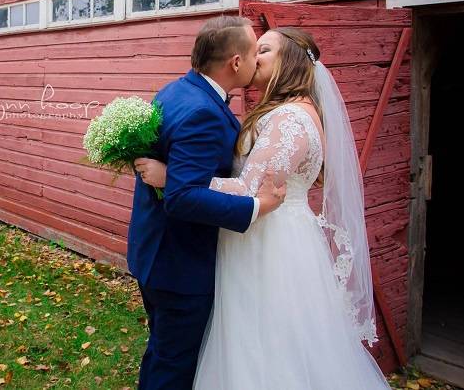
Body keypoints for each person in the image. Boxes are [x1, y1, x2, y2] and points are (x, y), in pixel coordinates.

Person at [136, 26, 391, 389]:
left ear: (288, 62)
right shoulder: (278, 112)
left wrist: (172, 176)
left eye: (265, 50)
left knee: (271, 345)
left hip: (271, 242)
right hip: (258, 235)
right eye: (255, 50)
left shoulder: (290, 119)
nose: (255, 57)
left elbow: (247, 190)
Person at [127, 16, 287, 390]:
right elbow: (183, 198)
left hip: (154, 252)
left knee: (163, 352)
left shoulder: (175, 91)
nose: (256, 62)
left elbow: (165, 167)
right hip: (181, 264)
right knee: (174, 365)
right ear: (235, 63)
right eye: (253, 54)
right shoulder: (202, 112)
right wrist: (255, 207)